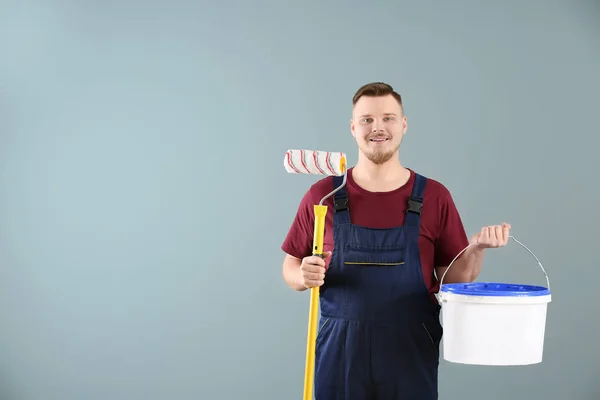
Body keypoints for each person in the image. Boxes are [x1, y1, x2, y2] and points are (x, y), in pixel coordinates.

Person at [280, 82, 511, 399]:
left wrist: (477, 251)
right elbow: (290, 266)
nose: (378, 127)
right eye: (367, 119)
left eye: (388, 118)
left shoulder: (434, 196)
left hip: (409, 352)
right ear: (353, 127)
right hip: (340, 353)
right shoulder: (323, 196)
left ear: (403, 125)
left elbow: (453, 278)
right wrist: (302, 275)